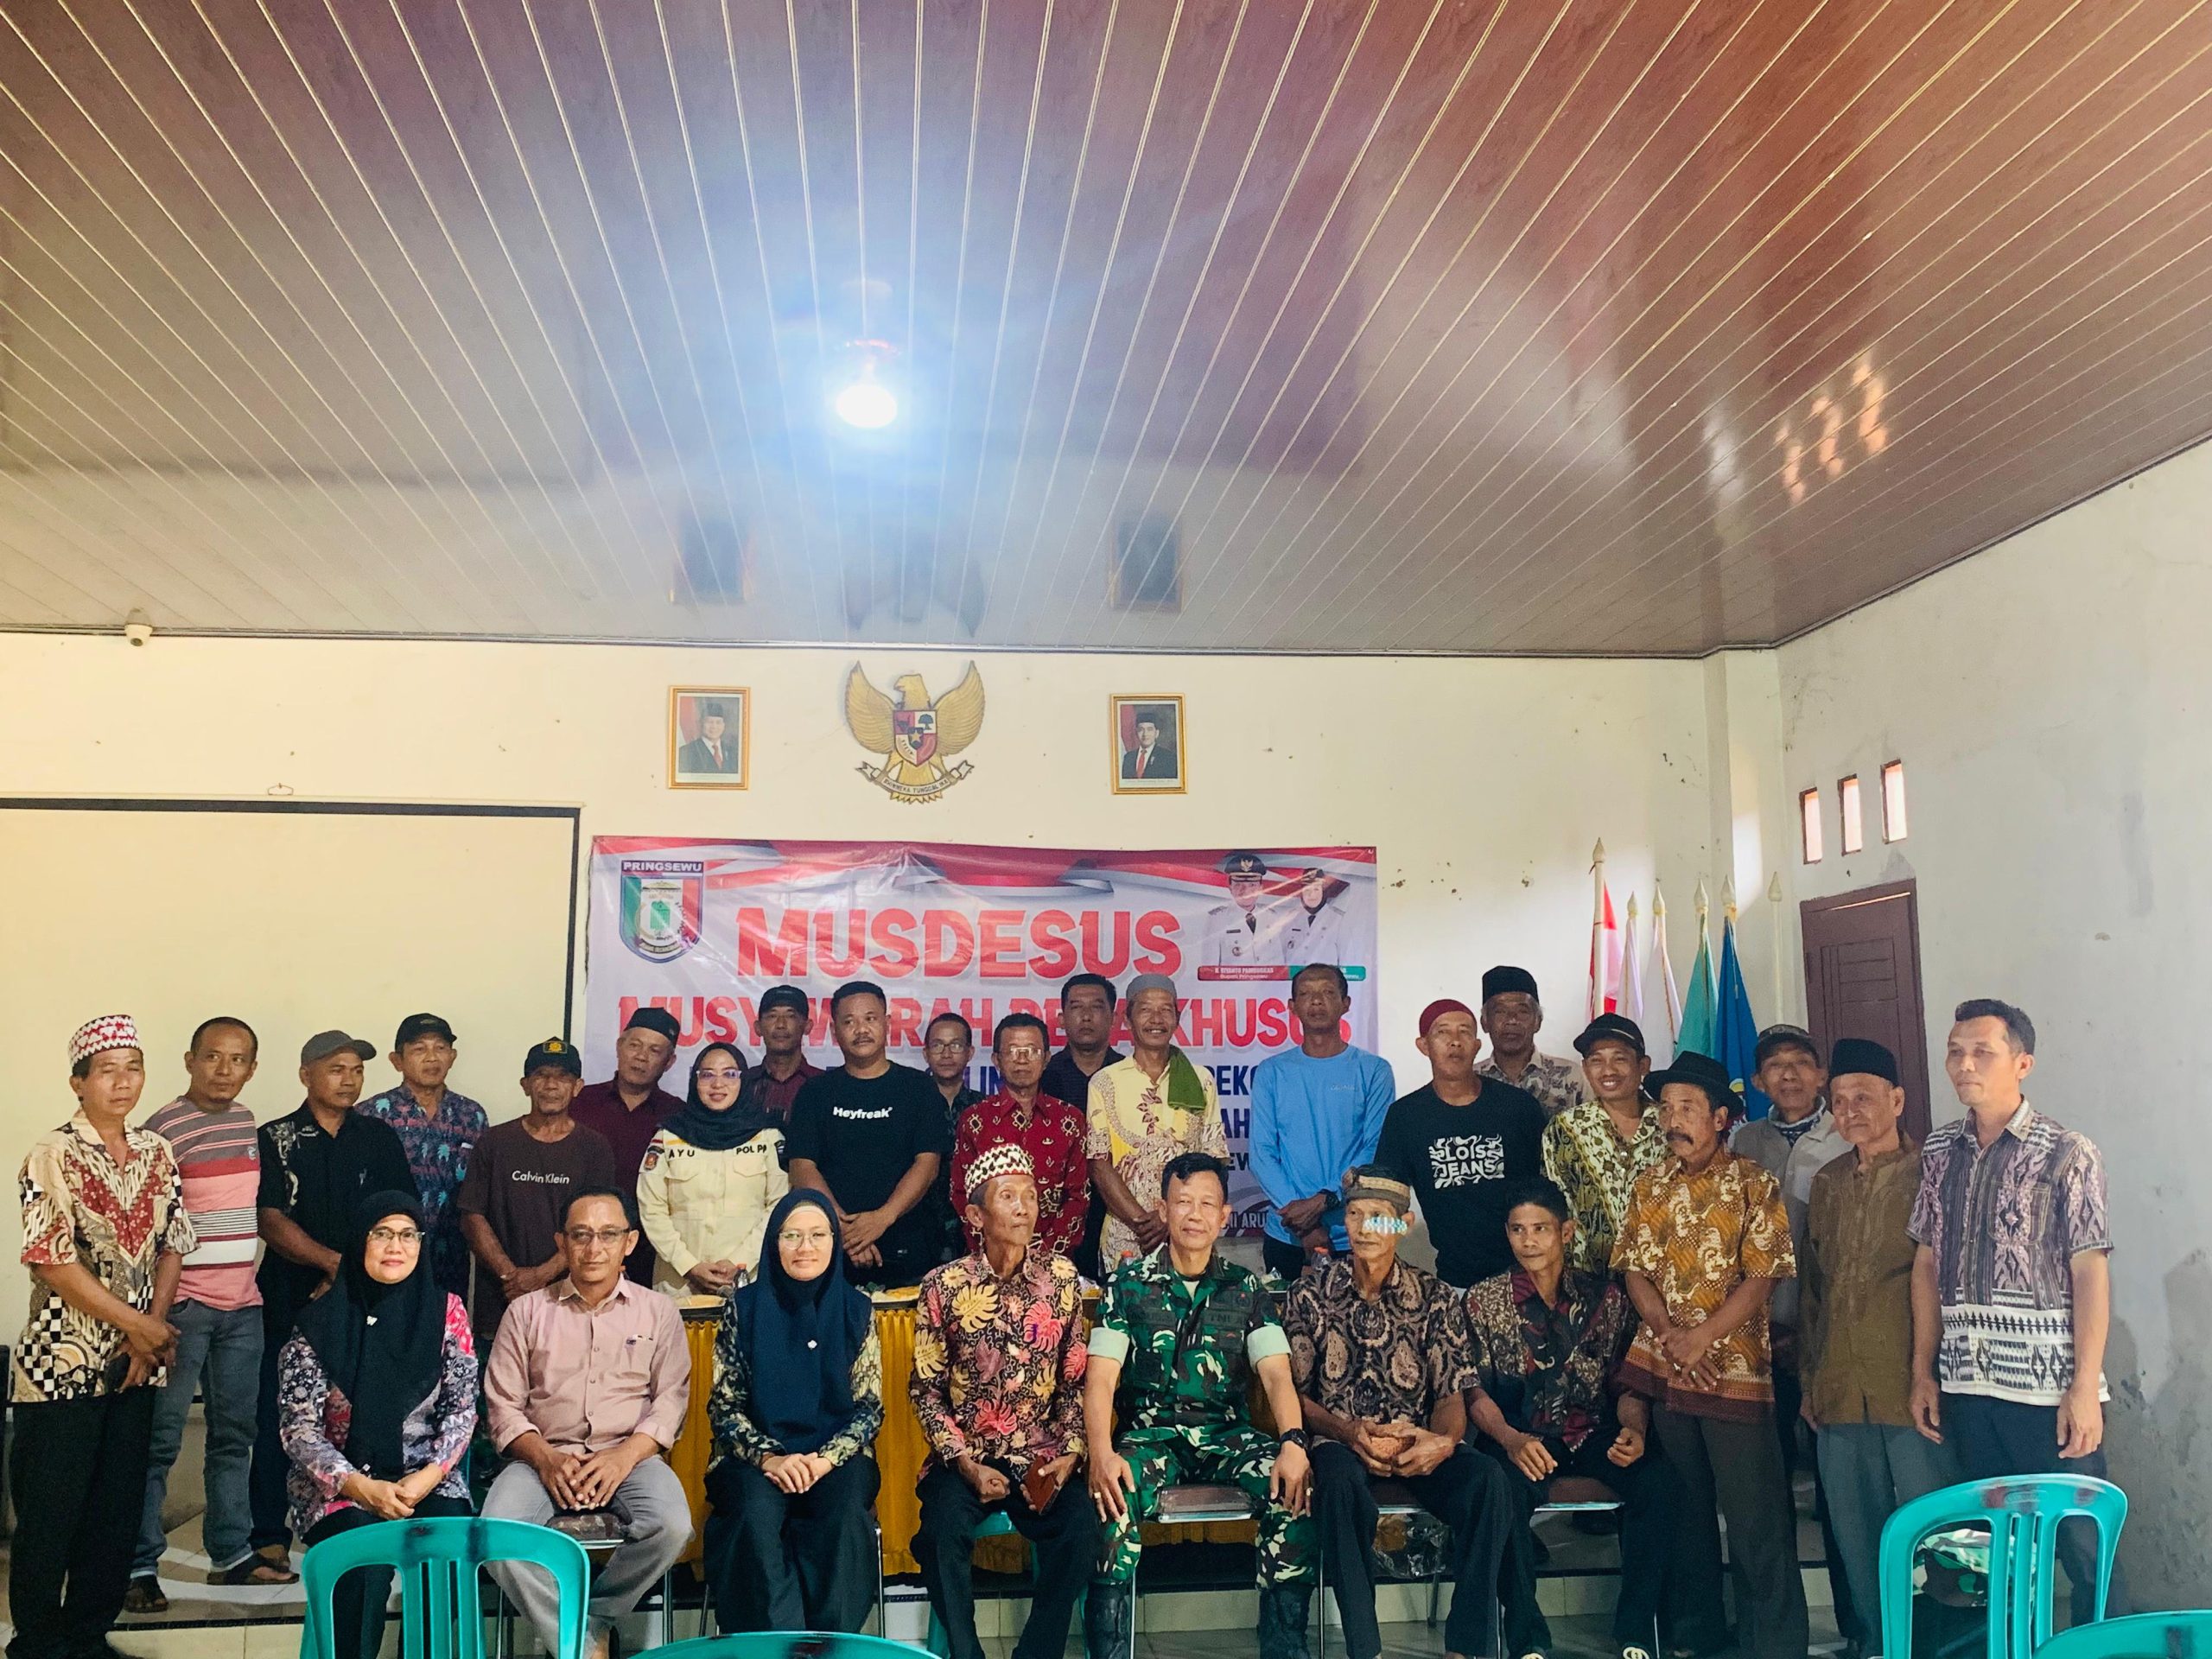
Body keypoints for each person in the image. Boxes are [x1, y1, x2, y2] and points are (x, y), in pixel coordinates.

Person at [1909, 998, 2127, 1623]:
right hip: (1969, 1387)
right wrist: (1924, 1370)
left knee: (2084, 1547)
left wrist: (2084, 1386)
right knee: (1993, 1551)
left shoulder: (2067, 1152)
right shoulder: (1940, 1149)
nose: (1964, 1064)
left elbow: (2090, 1270)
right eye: (1955, 1052)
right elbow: (1926, 1262)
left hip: (2049, 1392)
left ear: (2022, 1064)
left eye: (1982, 1052)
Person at [12, 1015, 195, 1659]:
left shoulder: (157, 1151)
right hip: (59, 1364)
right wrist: (139, 1326)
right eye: (107, 1070)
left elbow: (174, 1243)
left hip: (135, 1364)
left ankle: (89, 1636)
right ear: (78, 1082)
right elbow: (50, 1261)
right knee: (51, 1514)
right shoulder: (53, 1153)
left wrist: (150, 1335)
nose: (123, 1082)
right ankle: (37, 1644)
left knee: (114, 1512)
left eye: (133, 1068)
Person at [1084, 1153, 1314, 1659]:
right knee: (1112, 1497)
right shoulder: (1126, 1287)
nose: (1194, 1214)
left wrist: (1294, 1444)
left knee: (1292, 1486)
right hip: (1151, 1439)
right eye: (1182, 1202)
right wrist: (1101, 1453)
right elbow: (1100, 1379)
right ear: (1163, 1209)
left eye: (1207, 1204)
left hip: (1227, 1438)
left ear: (1224, 1216)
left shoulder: (1247, 1288)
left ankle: (1285, 1647)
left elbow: (1277, 1375)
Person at [1614, 1050, 1803, 1659]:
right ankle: (1698, 1637)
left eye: (1687, 1107)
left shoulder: (1753, 1183)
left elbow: (1763, 1277)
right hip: (1669, 1371)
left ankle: (1772, 1646)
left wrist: (1702, 1337)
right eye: (1667, 1108)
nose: (1674, 1119)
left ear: (1721, 1118)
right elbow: (1634, 1271)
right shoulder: (1650, 1184)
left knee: (1755, 1519)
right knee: (1686, 1514)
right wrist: (1672, 1334)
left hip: (1735, 1374)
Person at [1284, 1167, 1505, 1659]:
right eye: (1355, 1215)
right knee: (1338, 1486)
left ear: (1403, 1225)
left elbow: (1451, 1395)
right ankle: (1366, 1648)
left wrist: (1440, 1443)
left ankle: (1466, 1645)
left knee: (1488, 1481)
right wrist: (1347, 1430)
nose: (1364, 1228)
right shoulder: (1311, 1294)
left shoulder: (1436, 1297)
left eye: (1378, 1217)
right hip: (1341, 1440)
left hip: (1415, 1441)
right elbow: (1295, 1397)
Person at [1465, 1179, 1681, 1659]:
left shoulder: (1607, 1298)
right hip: (1519, 1436)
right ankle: (1527, 1640)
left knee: (1659, 1481)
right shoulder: (1483, 1301)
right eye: (1518, 1230)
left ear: (1566, 1232)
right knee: (1498, 1490)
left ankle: (1637, 1631)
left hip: (1593, 1433)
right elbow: (1473, 1391)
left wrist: (1635, 1430)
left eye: (1540, 1229)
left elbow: (1627, 1382)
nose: (1528, 1241)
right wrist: (1510, 1439)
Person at [483, 1188, 692, 1659]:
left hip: (630, 1455)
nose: (594, 1248)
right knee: (496, 1533)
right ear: (562, 1243)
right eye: (580, 1235)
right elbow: (503, 1407)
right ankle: (580, 1642)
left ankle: (591, 1618)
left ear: (630, 1242)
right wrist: (546, 1459)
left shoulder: (659, 1312)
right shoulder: (526, 1312)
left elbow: (670, 1402)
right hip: (541, 1455)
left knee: (672, 1526)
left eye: (608, 1235)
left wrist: (622, 1458)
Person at [1802, 1039, 1960, 1659]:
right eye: (1839, 1101)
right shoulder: (1827, 1182)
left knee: (1936, 1529)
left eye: (1863, 1097)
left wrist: (1931, 1373)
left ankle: (1943, 1648)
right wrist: (1811, 1378)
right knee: (1856, 1532)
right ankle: (1878, 1644)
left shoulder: (1934, 1174)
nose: (1850, 1112)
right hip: (1840, 1386)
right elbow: (1814, 1291)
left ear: (1897, 1100)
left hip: (1911, 1386)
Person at [911, 1148, 1096, 1659]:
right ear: (976, 1215)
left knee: (1083, 1530)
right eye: (1008, 1197)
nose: (1023, 1207)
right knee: (939, 1535)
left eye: (1031, 1196)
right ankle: (966, 1653)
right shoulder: (943, 1286)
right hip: (967, 1455)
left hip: (1040, 1453)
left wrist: (1072, 1452)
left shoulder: (1062, 1280)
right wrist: (964, 1463)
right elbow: (926, 1390)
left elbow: (1074, 1382)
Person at [276, 1192, 475, 1659]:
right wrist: (362, 1488)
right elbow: (299, 1430)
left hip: (425, 1476)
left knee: (446, 1549)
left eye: (408, 1235)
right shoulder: (318, 1323)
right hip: (340, 1484)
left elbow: (462, 1410)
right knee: (362, 1563)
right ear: (359, 1242)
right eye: (381, 1233)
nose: (396, 1246)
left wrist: (427, 1477)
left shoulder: (446, 1313)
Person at [250, 1029, 417, 1576]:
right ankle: (269, 1535)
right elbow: (270, 1218)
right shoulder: (276, 1137)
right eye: (337, 1069)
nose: (350, 1079)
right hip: (291, 1298)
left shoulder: (378, 1137)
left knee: (362, 1414)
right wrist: (335, 1266)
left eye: (357, 1070)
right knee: (279, 1414)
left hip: (369, 1302)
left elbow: (399, 1212)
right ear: (306, 1075)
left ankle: (357, 1520)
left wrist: (352, 1278)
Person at [130, 1018, 278, 1611]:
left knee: (235, 1437)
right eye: (213, 1057)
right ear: (190, 1059)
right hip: (183, 1309)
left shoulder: (245, 1122)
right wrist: (155, 1316)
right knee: (159, 1442)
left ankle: (231, 1555)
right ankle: (139, 1564)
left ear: (252, 1068)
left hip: (243, 1308)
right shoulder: (161, 1130)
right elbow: (146, 1228)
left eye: (238, 1059)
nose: (224, 1069)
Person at [705, 1190, 884, 1633]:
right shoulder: (743, 1309)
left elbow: (869, 1409)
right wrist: (771, 1458)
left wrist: (823, 1460)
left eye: (818, 1235)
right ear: (774, 1243)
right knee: (753, 1514)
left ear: (834, 1242)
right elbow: (725, 1406)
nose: (806, 1247)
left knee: (845, 1516)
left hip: (834, 1457)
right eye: (792, 1236)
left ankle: (828, 1645)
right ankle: (772, 1647)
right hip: (754, 1458)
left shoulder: (857, 1310)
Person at [1729, 1022, 1853, 1639]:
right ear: (1758, 1081)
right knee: (1764, 1490)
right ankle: (1775, 1635)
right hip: (1756, 1337)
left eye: (1802, 1063)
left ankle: (1858, 1626)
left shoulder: (1849, 1134)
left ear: (1822, 1074)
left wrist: (1809, 1329)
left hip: (1831, 1336)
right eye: (1775, 1066)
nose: (1790, 1075)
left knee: (1841, 1492)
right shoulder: (1742, 1141)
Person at [787, 982, 952, 1286]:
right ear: (834, 1030)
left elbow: (928, 1165)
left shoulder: (918, 1088)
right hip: (831, 1250)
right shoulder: (815, 1093)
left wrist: (882, 1218)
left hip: (909, 1250)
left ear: (887, 1023)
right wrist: (844, 1230)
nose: (861, 1029)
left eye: (870, 1018)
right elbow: (801, 1166)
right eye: (849, 1022)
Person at [457, 1039, 620, 1346]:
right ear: (525, 1085)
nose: (551, 1085)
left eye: (563, 1077)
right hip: (501, 1303)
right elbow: (472, 1216)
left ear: (578, 1087)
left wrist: (542, 1275)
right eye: (541, 1075)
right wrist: (510, 1275)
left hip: (572, 1303)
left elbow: (599, 1227)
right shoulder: (494, 1142)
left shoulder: (595, 1148)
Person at [1376, 999, 1546, 1288]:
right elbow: (1387, 1200)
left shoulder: (1518, 1108)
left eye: (1465, 1032)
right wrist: (1387, 1248)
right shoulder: (1406, 1116)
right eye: (1443, 1032)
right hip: (1455, 1281)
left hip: (1526, 1277)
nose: (1455, 1041)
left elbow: (1546, 1190)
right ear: (1423, 1045)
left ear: (1477, 1045)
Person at [1249, 964, 1395, 1280]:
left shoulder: (1374, 1071)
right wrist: (1305, 1225)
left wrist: (1326, 1200)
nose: (1316, 1001)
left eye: (1328, 992)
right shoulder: (1271, 1072)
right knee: (1287, 1313)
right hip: (1288, 1235)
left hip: (1356, 1232)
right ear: (1292, 1007)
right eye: (1306, 994)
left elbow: (1375, 1147)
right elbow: (1262, 1154)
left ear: (1346, 1004)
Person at [1085, 973, 1227, 1268]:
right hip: (1127, 1235)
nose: (1156, 1019)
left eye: (1165, 1010)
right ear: (1127, 1020)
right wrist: (1143, 1222)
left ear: (1177, 1018)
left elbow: (1214, 1160)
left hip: (1188, 1230)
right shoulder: (1105, 1082)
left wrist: (1170, 1217)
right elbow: (1099, 1164)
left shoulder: (1201, 1080)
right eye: (1146, 1010)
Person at [636, 1042, 788, 1300]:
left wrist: (739, 1263)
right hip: (679, 1282)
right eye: (707, 1074)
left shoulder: (767, 1137)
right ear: (695, 1081)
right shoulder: (669, 1136)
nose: (718, 1084)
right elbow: (651, 1208)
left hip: (749, 1279)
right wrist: (689, 1265)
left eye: (730, 1074)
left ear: (744, 1081)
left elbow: (778, 1206)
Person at [359, 1012, 486, 1300]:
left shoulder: (472, 1116)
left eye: (440, 1048)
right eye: (419, 1049)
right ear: (397, 1060)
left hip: (451, 1256)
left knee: (445, 1325)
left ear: (452, 1056)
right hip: (387, 1255)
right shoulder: (372, 1114)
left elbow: (479, 1191)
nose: (432, 1057)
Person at [948, 1013, 1089, 1260]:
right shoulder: (975, 1120)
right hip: (988, 1261)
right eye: (1012, 1051)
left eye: (1032, 1051)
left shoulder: (1070, 1120)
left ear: (1046, 1059)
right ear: (996, 1060)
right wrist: (999, 1254)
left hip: (1053, 1263)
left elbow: (1078, 1198)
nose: (1022, 1059)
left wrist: (1043, 1257)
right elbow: (962, 1196)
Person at [1541, 1014, 1667, 1274]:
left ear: (1643, 1065)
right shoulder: (1565, 1129)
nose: (1608, 1070)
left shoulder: (1669, 1126)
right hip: (1588, 1283)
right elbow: (1554, 1211)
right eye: (1596, 1060)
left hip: (1663, 1279)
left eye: (1620, 1058)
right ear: (1585, 1069)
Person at [572, 1007, 685, 1286]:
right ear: (619, 1046)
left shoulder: (679, 1116)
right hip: (585, 1246)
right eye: (634, 1045)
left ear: (669, 1062)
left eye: (654, 1050)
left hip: (653, 1251)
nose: (641, 1056)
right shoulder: (581, 1103)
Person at [1041, 973, 1122, 1279]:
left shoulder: (1129, 1075)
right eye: (1076, 1007)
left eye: (1097, 1007)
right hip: (1055, 1214)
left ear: (1113, 1017)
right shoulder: (1042, 1077)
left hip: (1118, 1210)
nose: (1086, 1016)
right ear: (1062, 1018)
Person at [1477, 966, 1589, 1120]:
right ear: (1485, 1023)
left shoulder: (1571, 1076)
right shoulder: (1470, 1079)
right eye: (1500, 1012)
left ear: (1538, 1022)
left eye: (1522, 1012)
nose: (1512, 1020)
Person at [923, 1013, 984, 1251]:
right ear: (926, 1053)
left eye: (956, 1045)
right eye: (938, 1045)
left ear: (970, 1052)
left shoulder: (985, 1109)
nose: (946, 1054)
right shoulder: (910, 1106)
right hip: (919, 1227)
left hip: (973, 1230)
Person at [740, 984, 821, 1132]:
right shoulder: (741, 1085)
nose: (781, 1025)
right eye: (772, 1016)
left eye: (791, 1016)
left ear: (807, 1026)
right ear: (758, 1027)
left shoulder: (824, 1085)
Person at [1201, 850, 1287, 969]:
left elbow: (1279, 966)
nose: (1246, 891)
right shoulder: (1217, 919)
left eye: (1252, 885)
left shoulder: (1271, 917)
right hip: (1231, 981)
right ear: (1230, 887)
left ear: (1261, 888)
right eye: (1238, 885)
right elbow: (1209, 970)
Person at [1275, 867, 1351, 967]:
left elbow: (1346, 960)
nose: (1312, 895)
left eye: (1316, 889)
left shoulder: (1339, 920)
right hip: (1296, 977)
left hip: (1326, 977)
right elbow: (1280, 959)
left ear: (1324, 891)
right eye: (1307, 890)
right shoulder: (1289, 919)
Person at [677, 700, 741, 773]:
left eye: (718, 722)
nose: (714, 727)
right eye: (709, 722)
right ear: (701, 723)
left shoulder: (733, 752)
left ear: (724, 726)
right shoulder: (686, 752)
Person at [1120, 707, 1178, 780]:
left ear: (1157, 733)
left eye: (1149, 729)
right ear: (1136, 733)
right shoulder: (1128, 758)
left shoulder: (1168, 758)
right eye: (1141, 730)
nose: (1145, 734)